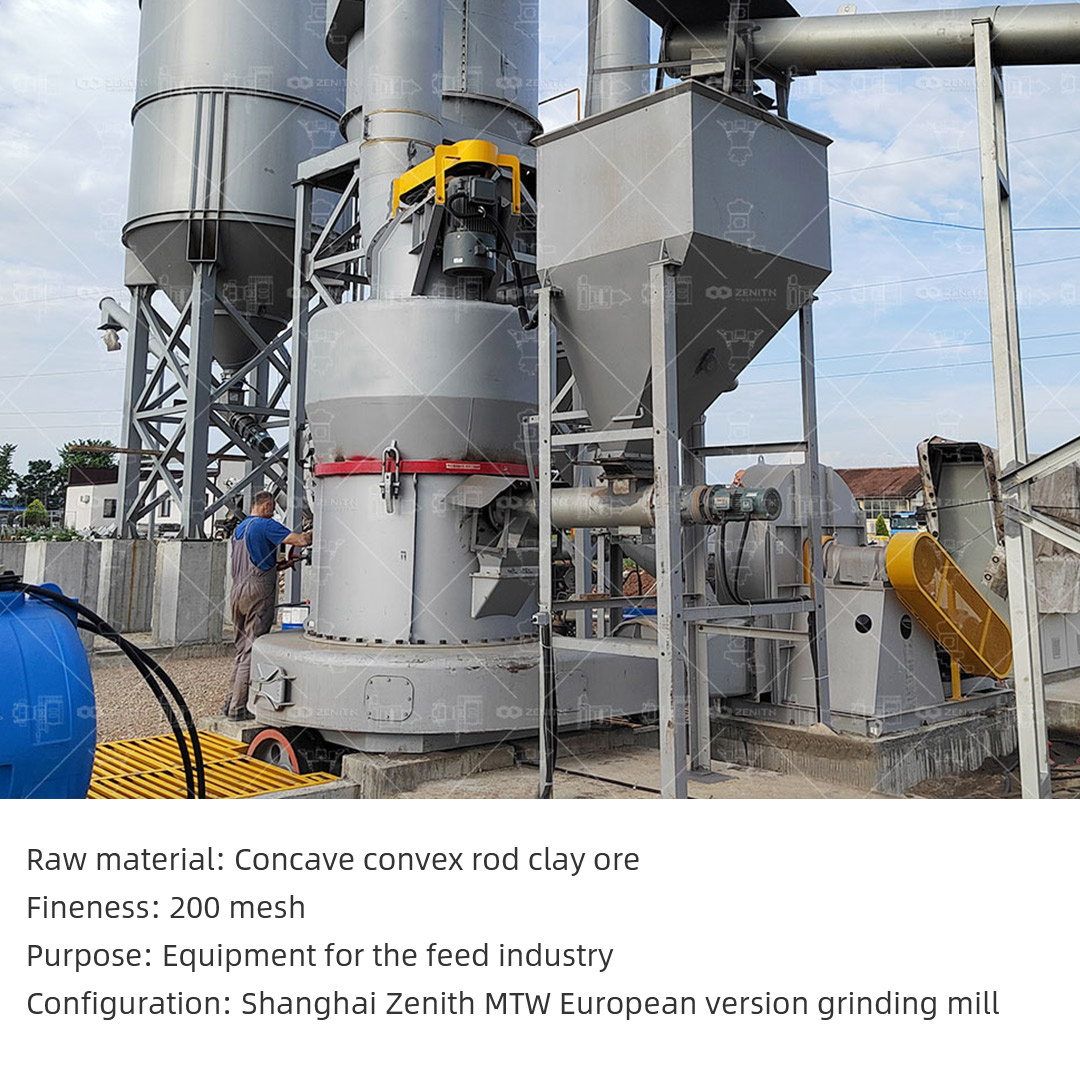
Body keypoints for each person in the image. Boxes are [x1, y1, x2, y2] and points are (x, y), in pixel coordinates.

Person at [225, 491, 311, 720]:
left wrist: (279, 565)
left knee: (242, 648)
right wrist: (319, 530)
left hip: (237, 591)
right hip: (258, 591)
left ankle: (229, 701)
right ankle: (238, 709)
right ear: (264, 506)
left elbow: (255, 561)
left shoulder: (239, 529)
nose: (274, 511)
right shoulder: (265, 525)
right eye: (272, 507)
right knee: (253, 647)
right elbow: (300, 540)